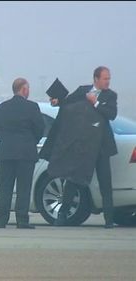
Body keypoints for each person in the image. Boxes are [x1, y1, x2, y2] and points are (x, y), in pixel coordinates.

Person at [44, 66, 117, 228]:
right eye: (105, 78)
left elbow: (112, 114)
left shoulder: (110, 96)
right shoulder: (83, 90)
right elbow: (68, 102)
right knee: (74, 179)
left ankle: (109, 220)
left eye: (109, 78)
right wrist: (58, 101)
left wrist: (95, 103)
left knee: (106, 182)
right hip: (82, 146)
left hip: (101, 146)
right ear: (96, 79)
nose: (108, 81)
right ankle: (62, 215)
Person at [0, 78, 45, 229]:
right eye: (28, 88)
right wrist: (30, 141)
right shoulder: (32, 107)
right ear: (23, 89)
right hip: (25, 153)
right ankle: (22, 220)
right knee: (24, 188)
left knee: (4, 188)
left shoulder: (2, 107)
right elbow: (40, 128)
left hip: (5, 152)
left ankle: (1, 220)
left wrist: (7, 139)